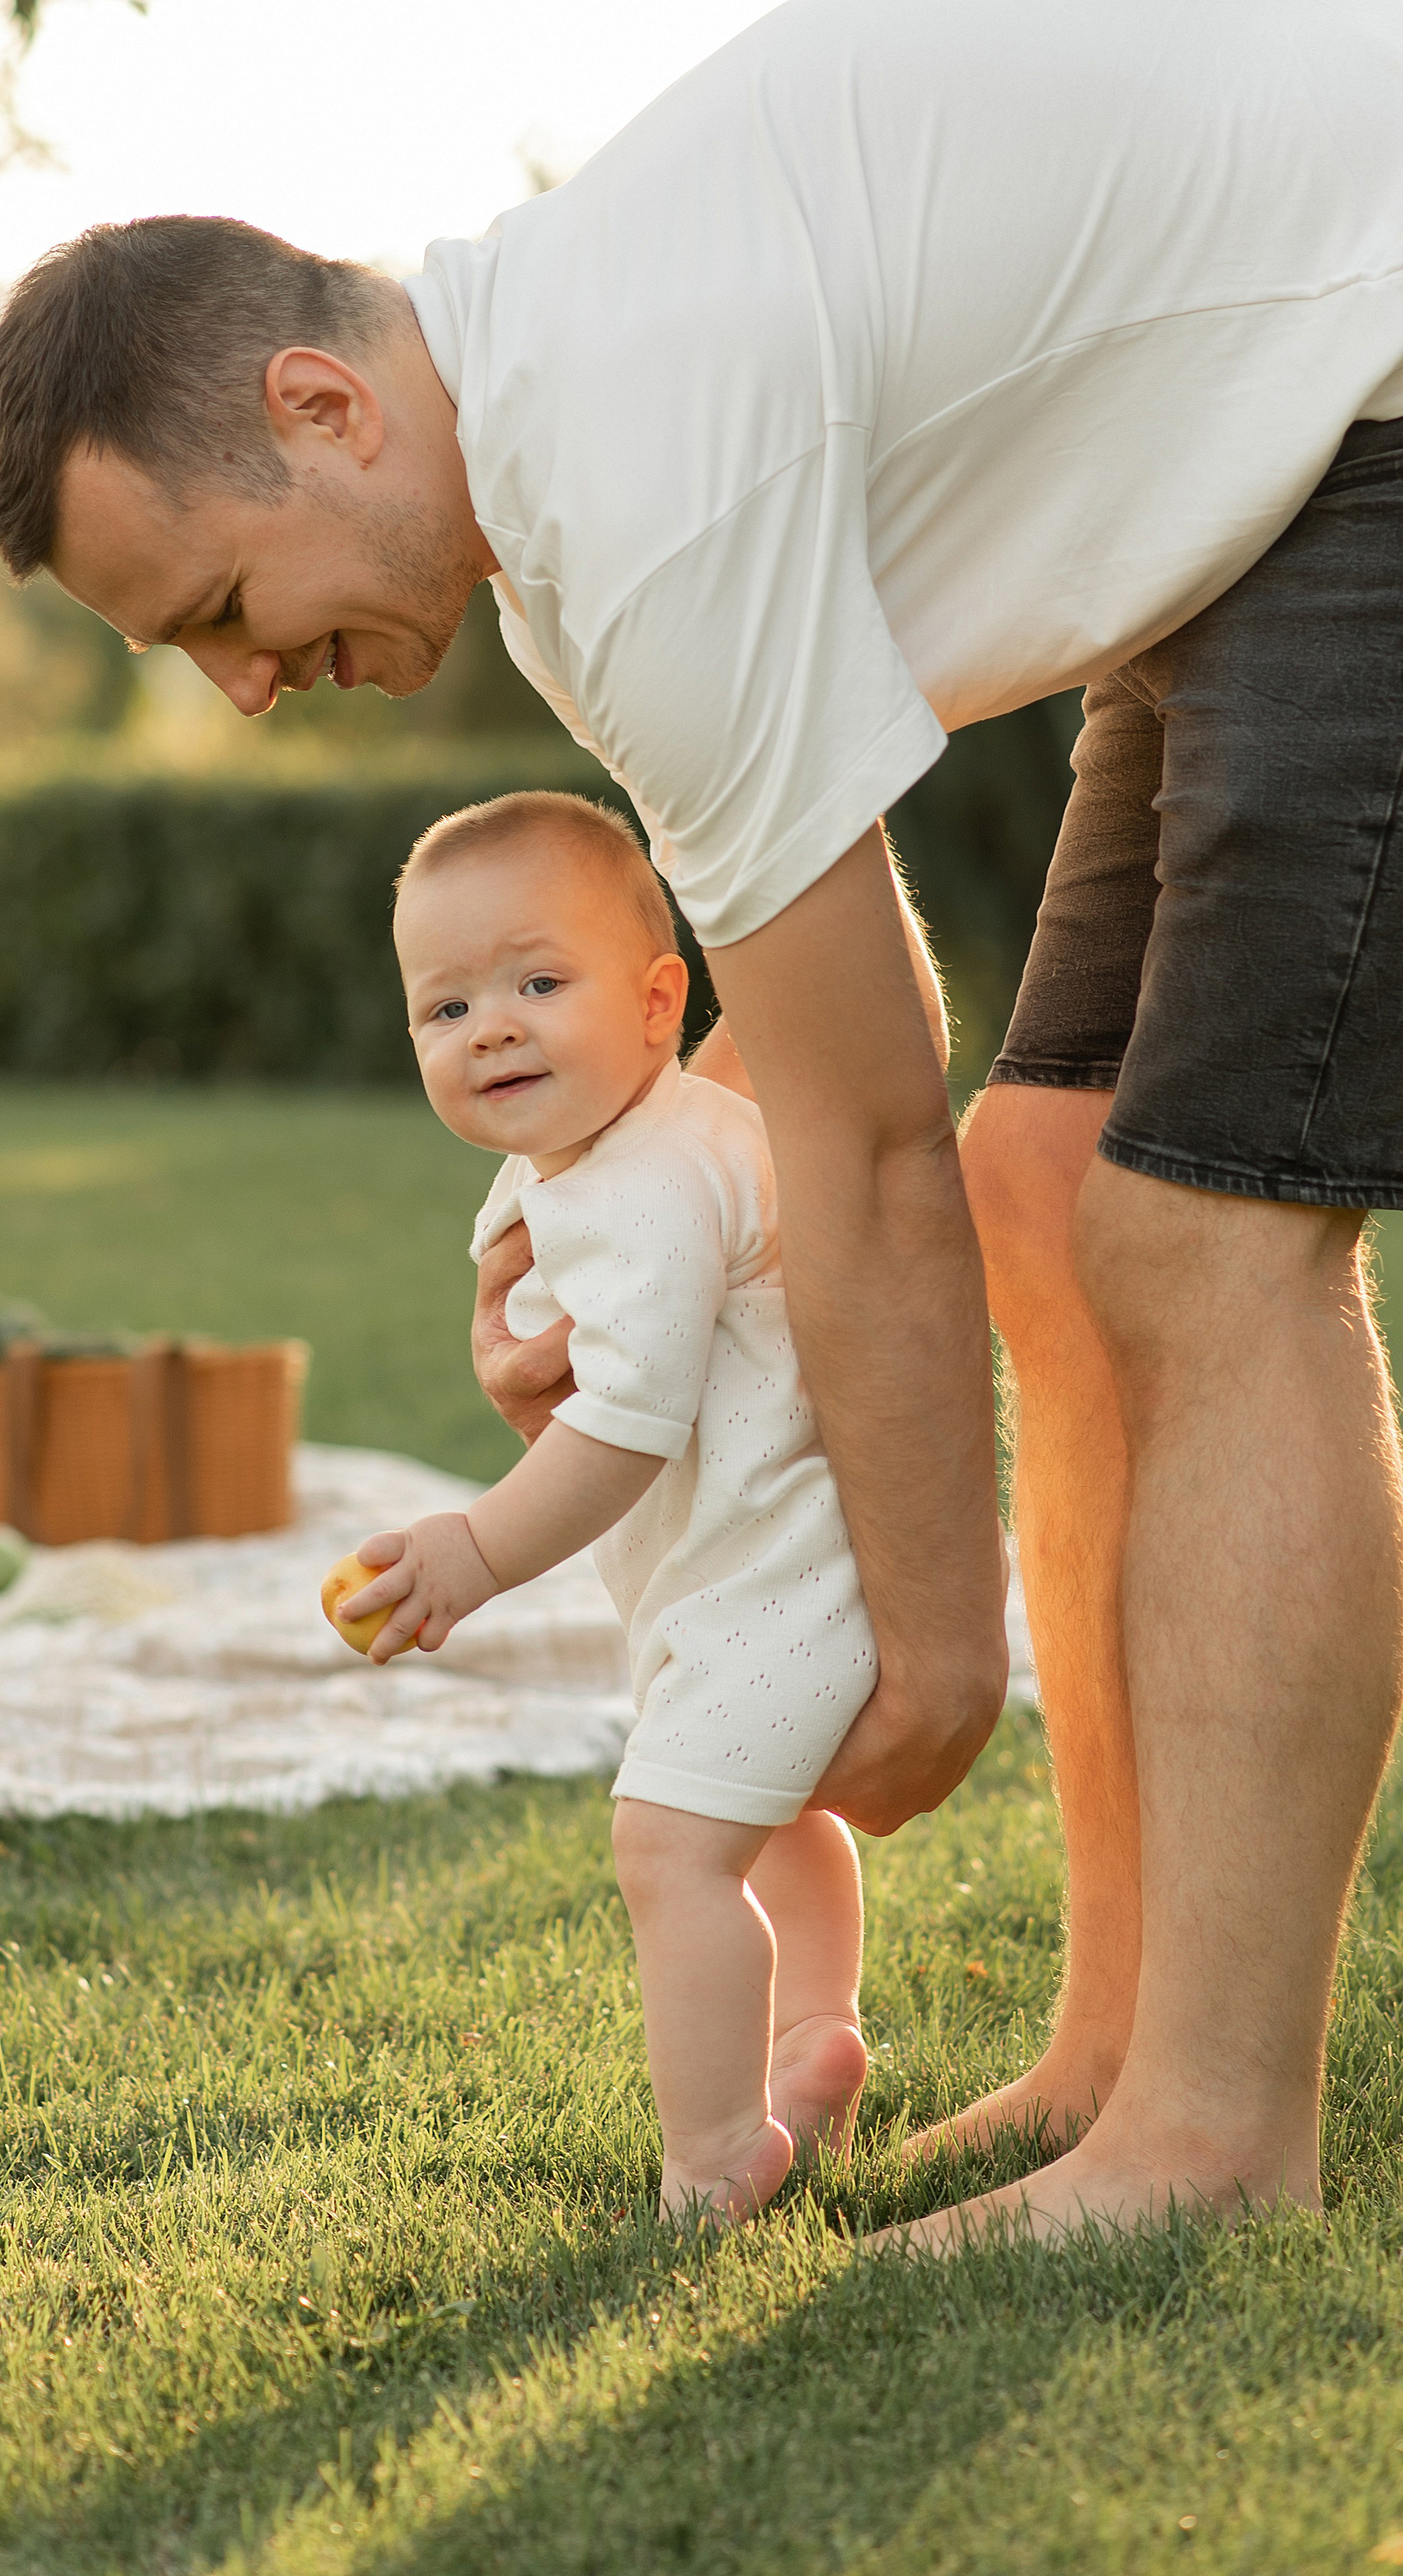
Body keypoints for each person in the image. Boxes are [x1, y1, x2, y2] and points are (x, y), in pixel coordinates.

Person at [0, 0, 1403, 2246]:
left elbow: (853, 1134)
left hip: (1373, 355)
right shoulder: (556, 466)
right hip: (1275, 439)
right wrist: (601, 1224)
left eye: (226, 610)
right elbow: (775, 1029)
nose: (243, 689)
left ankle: (1221, 2138)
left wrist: (930, 1655)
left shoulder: (626, 468)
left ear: (322, 407)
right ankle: (1122, 2045)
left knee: (1204, 1239)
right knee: (1055, 1182)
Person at [328, 790, 944, 2219]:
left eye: (538, 984)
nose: (489, 1026)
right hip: (737, 1571)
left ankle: (718, 2146)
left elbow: (627, 1423)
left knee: (668, 1845)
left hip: (773, 1580)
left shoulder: (648, 1182)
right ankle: (815, 2034)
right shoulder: (608, 1154)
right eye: (445, 1005)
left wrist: (474, 1549)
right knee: (765, 1815)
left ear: (658, 1000)